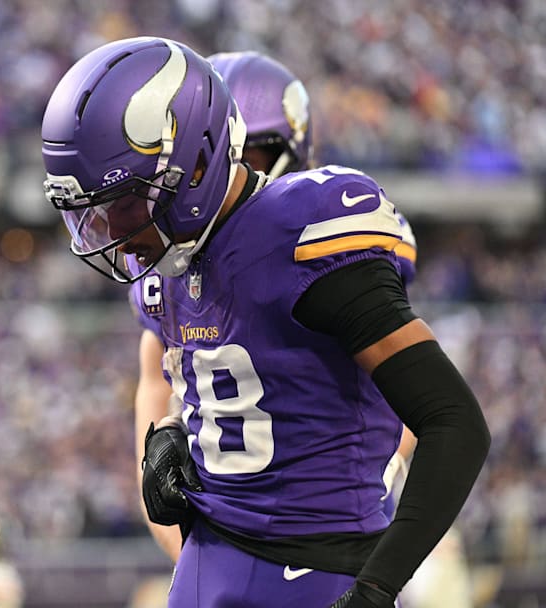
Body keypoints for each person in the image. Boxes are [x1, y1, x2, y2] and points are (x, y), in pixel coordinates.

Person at [41, 37, 490, 607]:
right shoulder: (170, 259)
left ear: (195, 165)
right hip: (209, 559)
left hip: (317, 570)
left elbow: (453, 421)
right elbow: (213, 384)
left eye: (124, 203)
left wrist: (377, 587)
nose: (111, 235)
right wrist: (172, 440)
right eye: (92, 214)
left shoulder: (303, 235)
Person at [128, 50, 421, 561]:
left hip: (325, 531)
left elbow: (411, 391)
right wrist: (193, 548)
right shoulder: (164, 270)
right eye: (203, 159)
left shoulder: (330, 247)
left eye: (247, 157)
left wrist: (372, 478)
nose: (225, 173)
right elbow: (156, 391)